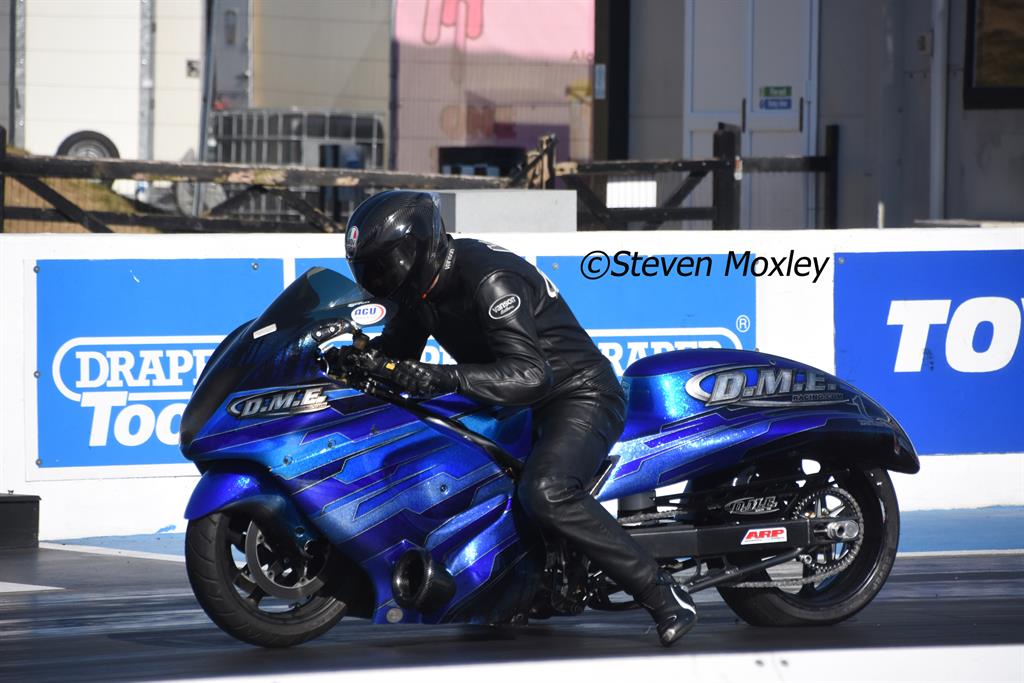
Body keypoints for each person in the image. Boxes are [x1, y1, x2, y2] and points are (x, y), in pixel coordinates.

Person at [331, 190, 696, 646]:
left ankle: (663, 594)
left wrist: (445, 377)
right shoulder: (420, 290)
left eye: (384, 265)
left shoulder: (490, 282)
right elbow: (397, 354)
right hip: (509, 399)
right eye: (369, 270)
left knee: (547, 491)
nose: (378, 279)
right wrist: (354, 359)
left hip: (576, 393)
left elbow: (531, 375)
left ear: (418, 248)